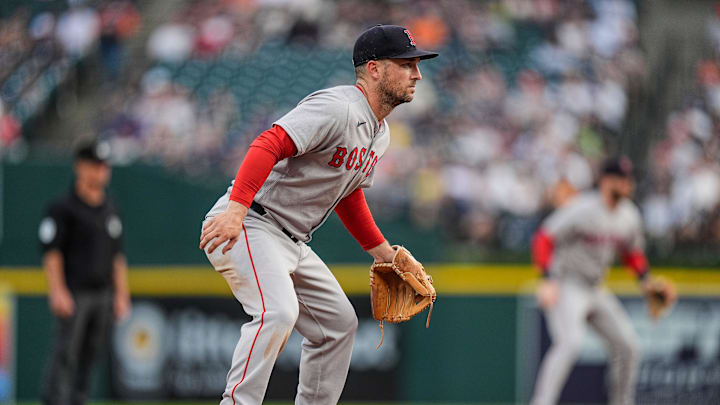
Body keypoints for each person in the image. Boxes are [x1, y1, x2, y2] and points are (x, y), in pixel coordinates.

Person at [199, 24, 438, 405]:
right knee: (277, 312)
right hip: (251, 222)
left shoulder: (380, 132)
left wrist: (384, 253)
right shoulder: (338, 107)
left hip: (292, 240)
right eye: (406, 63)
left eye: (416, 65)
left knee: (338, 326)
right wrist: (235, 210)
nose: (417, 73)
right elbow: (269, 143)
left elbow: (348, 194)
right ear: (374, 69)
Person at [530, 158, 650, 405]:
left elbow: (631, 252)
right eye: (620, 179)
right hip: (567, 282)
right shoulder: (581, 208)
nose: (626, 184)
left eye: (628, 179)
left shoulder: (629, 214)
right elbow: (543, 238)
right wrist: (546, 279)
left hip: (596, 288)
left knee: (629, 346)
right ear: (606, 181)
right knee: (570, 342)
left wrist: (645, 279)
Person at [39, 141, 131, 405]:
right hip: (75, 293)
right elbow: (52, 251)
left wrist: (121, 294)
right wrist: (57, 290)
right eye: (96, 165)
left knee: (91, 356)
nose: (102, 171)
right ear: (81, 167)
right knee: (65, 354)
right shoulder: (63, 208)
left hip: (103, 294)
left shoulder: (111, 209)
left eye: (104, 166)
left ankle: (79, 401)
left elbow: (117, 257)